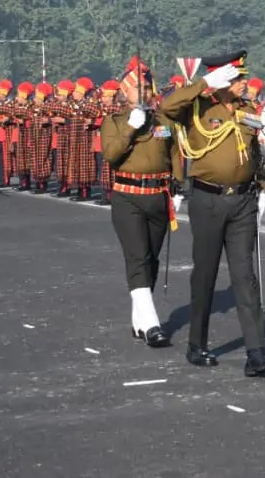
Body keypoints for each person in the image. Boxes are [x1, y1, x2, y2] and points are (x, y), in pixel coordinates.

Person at [160, 50, 265, 376]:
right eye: (237, 78)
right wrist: (204, 83)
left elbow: (255, 152)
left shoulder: (246, 110)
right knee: (205, 274)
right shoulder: (198, 107)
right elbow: (166, 108)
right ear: (222, 79)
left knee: (245, 276)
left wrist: (262, 186)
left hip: (242, 201)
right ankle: (197, 344)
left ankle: (256, 352)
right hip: (208, 199)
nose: (244, 83)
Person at [100, 58, 175, 348]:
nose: (143, 92)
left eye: (147, 88)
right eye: (137, 88)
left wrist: (179, 186)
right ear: (125, 92)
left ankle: (139, 320)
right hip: (128, 196)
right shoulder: (115, 122)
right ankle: (153, 324)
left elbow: (174, 154)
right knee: (137, 257)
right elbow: (111, 155)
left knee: (152, 260)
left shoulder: (162, 122)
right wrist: (132, 128)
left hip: (159, 195)